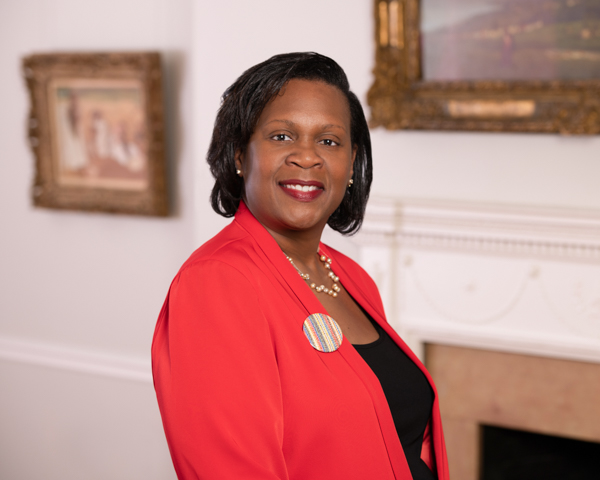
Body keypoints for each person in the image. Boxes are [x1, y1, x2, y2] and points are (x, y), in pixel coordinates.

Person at [152, 52, 450, 480]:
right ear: (240, 155)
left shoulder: (350, 276)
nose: (306, 157)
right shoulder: (218, 281)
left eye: (329, 141)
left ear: (350, 164)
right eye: (281, 137)